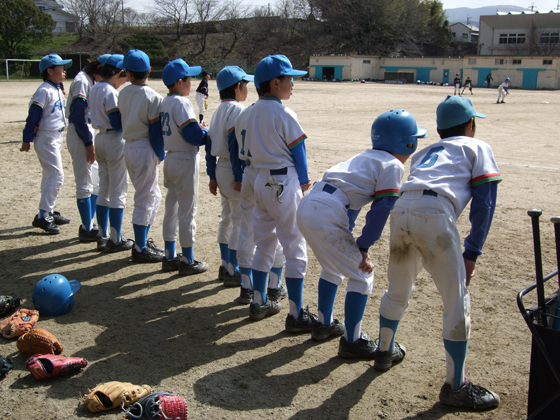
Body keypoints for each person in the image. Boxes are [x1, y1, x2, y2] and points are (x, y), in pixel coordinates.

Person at [376, 95, 501, 411]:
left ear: (438, 129)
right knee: (457, 299)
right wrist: (471, 252)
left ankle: (384, 350)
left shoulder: (426, 151)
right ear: (470, 124)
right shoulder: (477, 146)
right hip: (435, 212)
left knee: (398, 288)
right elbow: (485, 204)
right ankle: (456, 387)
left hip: (401, 208)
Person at [297, 110, 426, 348]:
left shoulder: (363, 157)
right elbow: (381, 209)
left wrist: (357, 242)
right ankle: (352, 341)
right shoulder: (392, 165)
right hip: (327, 211)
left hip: (309, 205)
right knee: (363, 274)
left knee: (332, 266)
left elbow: (351, 205)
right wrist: (363, 246)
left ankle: (324, 324)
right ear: (409, 143)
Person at [242, 54, 313, 332]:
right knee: (294, 246)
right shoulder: (284, 113)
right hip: (283, 180)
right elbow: (298, 150)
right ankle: (296, 314)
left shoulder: (248, 112)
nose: (293, 83)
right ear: (275, 82)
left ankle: (258, 301)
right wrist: (305, 180)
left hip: (260, 180)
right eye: (289, 78)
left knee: (265, 244)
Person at [230, 85, 288, 305]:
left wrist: (238, 174)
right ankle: (274, 286)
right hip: (269, 174)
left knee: (246, 229)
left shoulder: (244, 113)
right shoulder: (275, 112)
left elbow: (233, 144)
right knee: (275, 229)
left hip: (248, 173)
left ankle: (246, 286)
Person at [160, 58, 209, 276]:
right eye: (189, 79)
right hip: (184, 159)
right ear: (179, 82)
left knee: (171, 208)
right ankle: (187, 259)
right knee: (187, 210)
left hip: (170, 158)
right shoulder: (181, 102)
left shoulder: (166, 101)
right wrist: (205, 132)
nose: (192, 82)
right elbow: (193, 135)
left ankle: (170, 255)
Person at [206, 66, 254, 286]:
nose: (247, 89)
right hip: (232, 170)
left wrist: (211, 175)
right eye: (245, 85)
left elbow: (208, 144)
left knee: (226, 218)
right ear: (237, 86)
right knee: (239, 221)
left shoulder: (217, 110)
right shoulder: (237, 109)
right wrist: (238, 175)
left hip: (220, 167)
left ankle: (225, 265)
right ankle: (234, 269)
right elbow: (235, 145)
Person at [119, 49, 166, 263]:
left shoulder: (123, 92)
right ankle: (139, 247)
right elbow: (155, 130)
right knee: (145, 197)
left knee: (151, 195)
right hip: (145, 146)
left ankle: (143, 241)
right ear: (148, 71)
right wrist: (160, 153)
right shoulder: (152, 96)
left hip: (129, 145)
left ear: (128, 73)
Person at [21, 54, 73, 234]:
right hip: (46, 137)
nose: (64, 71)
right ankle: (43, 216)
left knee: (49, 176)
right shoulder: (44, 90)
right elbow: (33, 114)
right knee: (57, 176)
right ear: (49, 71)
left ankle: (47, 211)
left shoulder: (55, 87)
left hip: (54, 137)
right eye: (60, 68)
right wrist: (27, 138)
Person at [88, 54, 132, 253]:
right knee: (118, 191)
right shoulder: (110, 91)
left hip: (100, 138)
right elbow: (116, 122)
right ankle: (116, 238)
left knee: (103, 189)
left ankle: (102, 234)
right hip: (114, 139)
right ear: (116, 72)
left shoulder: (95, 86)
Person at [65, 56, 105, 243]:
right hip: (79, 131)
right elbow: (77, 116)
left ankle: (90, 223)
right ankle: (87, 227)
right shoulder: (82, 80)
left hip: (85, 130)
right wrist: (88, 143)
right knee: (84, 181)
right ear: (99, 68)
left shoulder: (89, 80)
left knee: (95, 180)